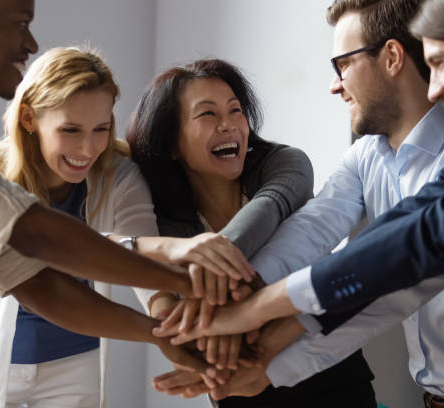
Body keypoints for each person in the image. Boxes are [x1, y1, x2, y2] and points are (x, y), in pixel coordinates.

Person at [0, 1, 243, 405]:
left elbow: (35, 283)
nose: (31, 43)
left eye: (100, 129)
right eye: (19, 24)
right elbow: (34, 232)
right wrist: (187, 283)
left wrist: (161, 333)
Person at [157, 0, 444, 406]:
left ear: (391, 57)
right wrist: (246, 321)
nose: (435, 87)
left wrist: (256, 313)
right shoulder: (371, 156)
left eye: (441, 61)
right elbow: (316, 233)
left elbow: (409, 263)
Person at [127, 58, 377, 407]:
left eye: (236, 110)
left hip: (331, 375)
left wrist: (212, 294)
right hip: (237, 386)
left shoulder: (286, 165)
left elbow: (265, 213)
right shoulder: (162, 220)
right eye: (208, 114)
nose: (229, 125)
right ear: (171, 142)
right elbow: (179, 327)